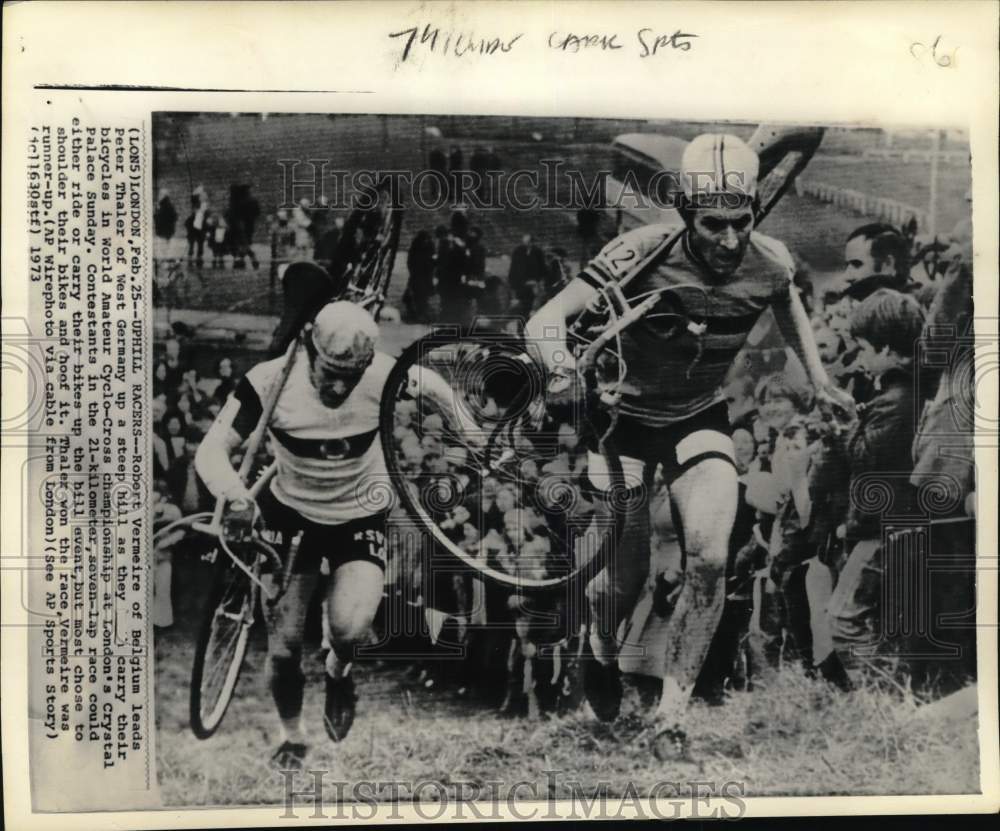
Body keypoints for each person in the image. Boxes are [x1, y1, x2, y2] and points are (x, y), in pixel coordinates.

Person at [525, 133, 850, 753]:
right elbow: (543, 321)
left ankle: (673, 715)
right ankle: (599, 650)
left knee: (709, 556)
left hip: (697, 416)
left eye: (741, 222)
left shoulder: (769, 259)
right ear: (684, 213)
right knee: (620, 582)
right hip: (622, 422)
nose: (730, 241)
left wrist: (822, 379)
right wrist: (561, 369)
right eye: (714, 225)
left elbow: (786, 301)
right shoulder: (641, 251)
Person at [194, 301, 473, 769]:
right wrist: (237, 497)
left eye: (353, 373)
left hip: (359, 512)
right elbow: (211, 451)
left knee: (350, 629)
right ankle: (292, 735)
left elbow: (438, 388)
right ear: (308, 349)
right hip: (289, 513)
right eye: (330, 372)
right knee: (282, 650)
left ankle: (338, 673)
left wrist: (475, 435)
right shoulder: (269, 381)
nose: (341, 386)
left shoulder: (385, 374)